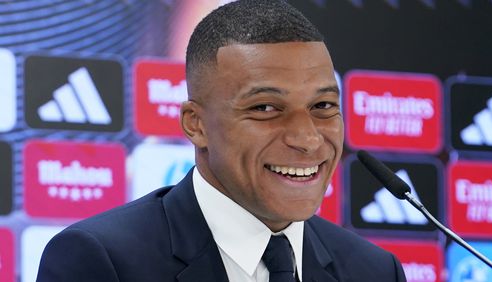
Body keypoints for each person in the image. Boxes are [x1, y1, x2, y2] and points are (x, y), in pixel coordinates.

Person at [37, 1, 406, 281]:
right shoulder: (100, 260)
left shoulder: (375, 270)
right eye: (265, 107)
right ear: (195, 124)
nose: (308, 138)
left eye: (323, 106)